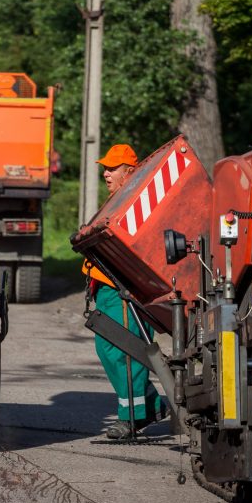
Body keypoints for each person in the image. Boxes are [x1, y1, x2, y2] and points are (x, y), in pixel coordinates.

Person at [83, 144, 165, 439]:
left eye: (112, 168)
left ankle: (131, 418)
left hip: (124, 289)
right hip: (107, 288)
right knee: (109, 350)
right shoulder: (119, 200)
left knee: (125, 353)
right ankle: (152, 405)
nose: (105, 173)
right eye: (105, 167)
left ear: (129, 171)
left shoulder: (137, 200)